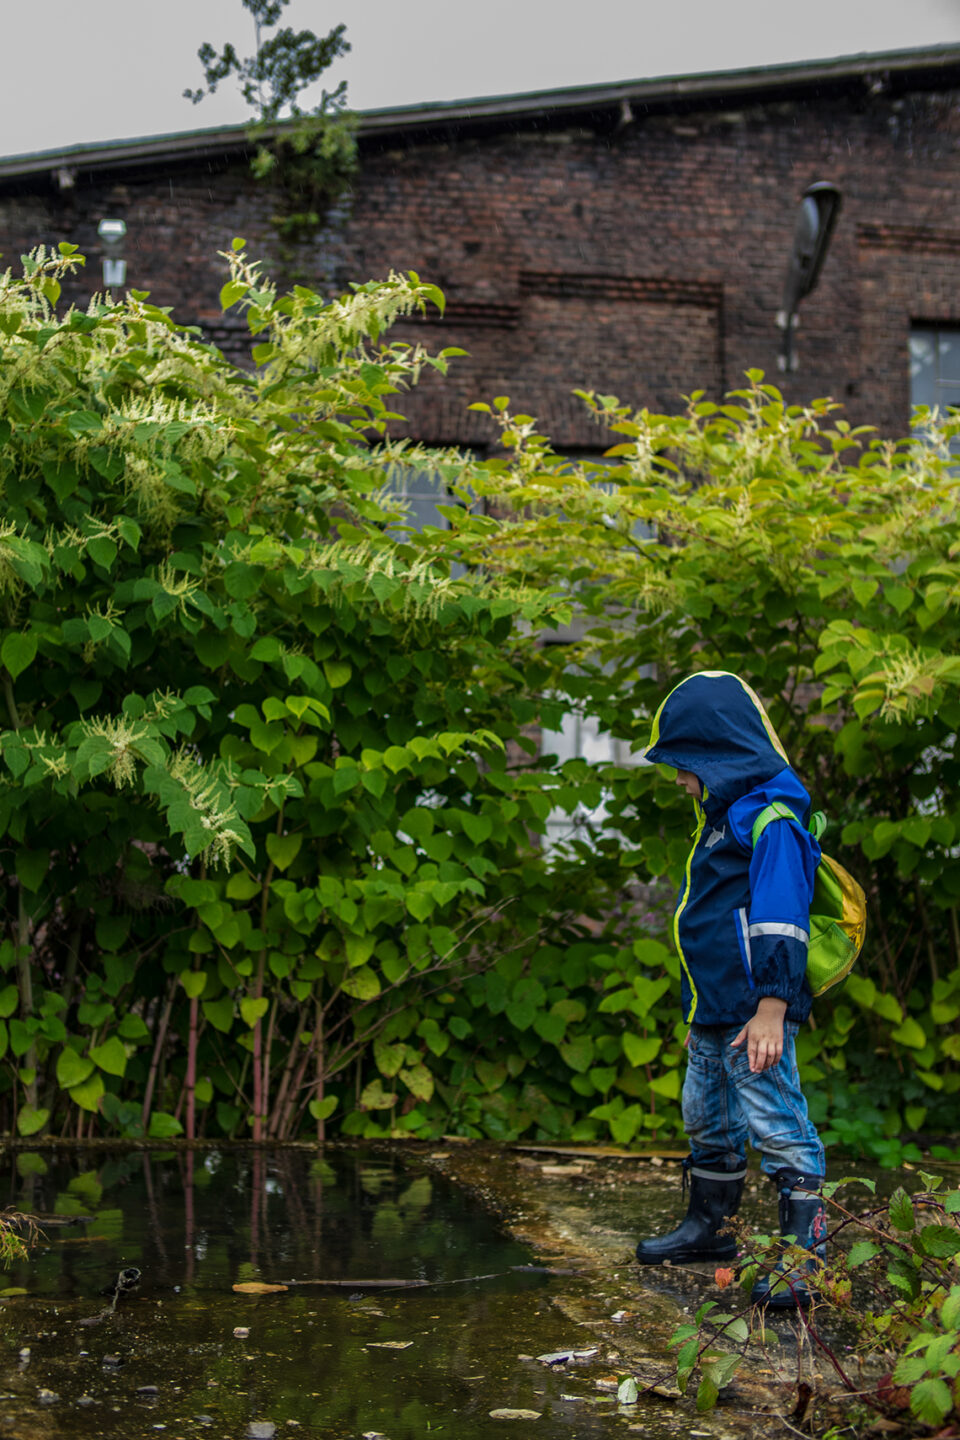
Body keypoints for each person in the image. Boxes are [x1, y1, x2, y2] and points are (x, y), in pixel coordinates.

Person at [633, 670, 827, 1309]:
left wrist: (773, 1005)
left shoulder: (771, 819)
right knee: (706, 1116)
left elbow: (780, 918)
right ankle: (710, 1229)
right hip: (716, 1008)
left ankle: (806, 1252)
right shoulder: (725, 816)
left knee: (774, 1118)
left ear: (721, 756)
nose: (681, 781)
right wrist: (700, 1010)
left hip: (756, 1010)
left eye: (686, 767)